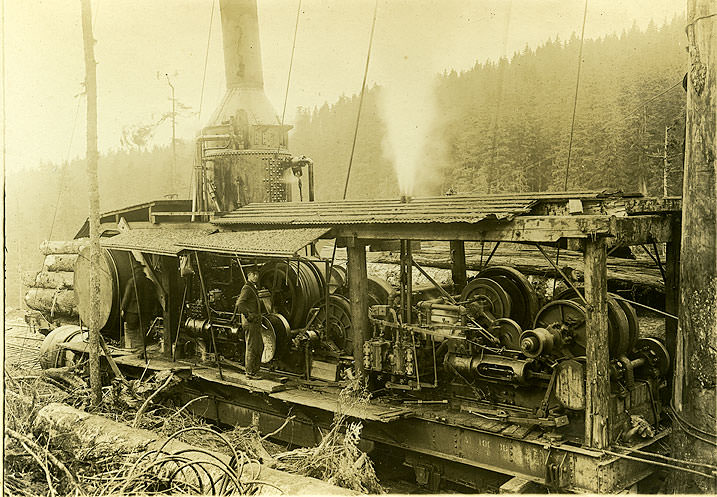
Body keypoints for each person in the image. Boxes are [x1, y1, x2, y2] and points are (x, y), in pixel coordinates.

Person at [233, 268, 264, 379]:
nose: (256, 276)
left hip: (255, 322)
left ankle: (254, 371)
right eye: (253, 274)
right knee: (252, 346)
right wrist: (249, 316)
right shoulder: (247, 288)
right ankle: (250, 373)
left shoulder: (252, 288)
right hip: (250, 322)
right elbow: (240, 304)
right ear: (248, 275)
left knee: (259, 346)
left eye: (257, 274)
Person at [120, 261, 157, 351]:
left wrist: (122, 309)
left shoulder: (131, 282)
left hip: (133, 312)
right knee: (144, 331)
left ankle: (132, 348)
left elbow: (126, 297)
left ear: (134, 271)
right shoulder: (149, 282)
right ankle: (142, 348)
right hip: (146, 311)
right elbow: (153, 298)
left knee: (131, 331)